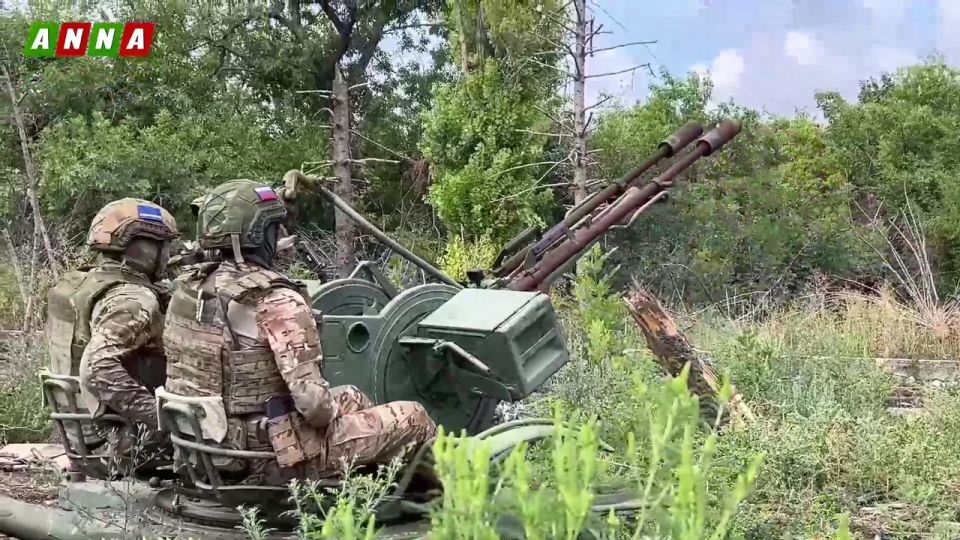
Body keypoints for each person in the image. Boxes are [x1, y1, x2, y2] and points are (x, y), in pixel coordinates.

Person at [162, 179, 436, 485]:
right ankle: (435, 499)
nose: (280, 233)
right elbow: (315, 407)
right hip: (269, 457)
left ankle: (362, 481)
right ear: (259, 233)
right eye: (274, 227)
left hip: (205, 446)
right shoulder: (274, 299)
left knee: (353, 396)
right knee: (414, 417)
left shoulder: (188, 290)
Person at [45, 198, 180, 475]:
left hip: (82, 439)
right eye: (164, 245)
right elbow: (97, 368)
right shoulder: (133, 299)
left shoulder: (79, 284)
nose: (168, 254)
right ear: (145, 248)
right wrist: (163, 419)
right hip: (123, 443)